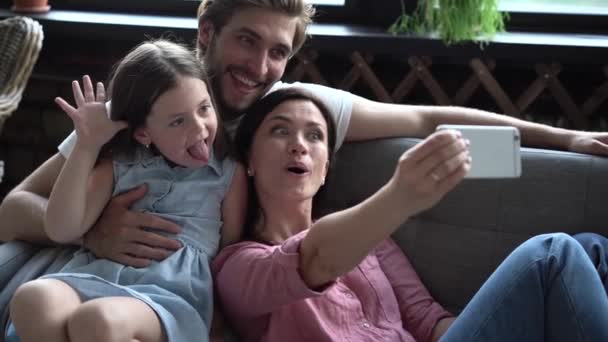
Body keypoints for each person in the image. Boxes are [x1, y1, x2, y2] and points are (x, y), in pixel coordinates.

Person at [1, 0, 608, 272]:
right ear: (206, 33)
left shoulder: (296, 112)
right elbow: (11, 209)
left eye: (278, 52)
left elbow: (429, 123)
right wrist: (93, 223)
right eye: (246, 40)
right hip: (111, 283)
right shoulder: (148, 103)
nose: (260, 67)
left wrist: (565, 140)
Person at [212, 87, 608, 342]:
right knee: (552, 255)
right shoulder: (237, 267)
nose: (300, 145)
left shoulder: (375, 241)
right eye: (280, 131)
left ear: (327, 168)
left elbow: (428, 321)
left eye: (315, 135)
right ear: (249, 160)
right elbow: (314, 258)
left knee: (591, 249)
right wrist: (400, 195)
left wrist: (508, 319)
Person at [8, 39, 246, 342]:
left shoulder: (227, 173)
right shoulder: (120, 165)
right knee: (34, 298)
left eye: (204, 109)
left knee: (97, 320)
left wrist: (222, 319)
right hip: (94, 275)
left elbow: (230, 256)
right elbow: (61, 228)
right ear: (144, 133)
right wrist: (86, 146)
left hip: (167, 296)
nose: (199, 128)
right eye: (177, 121)